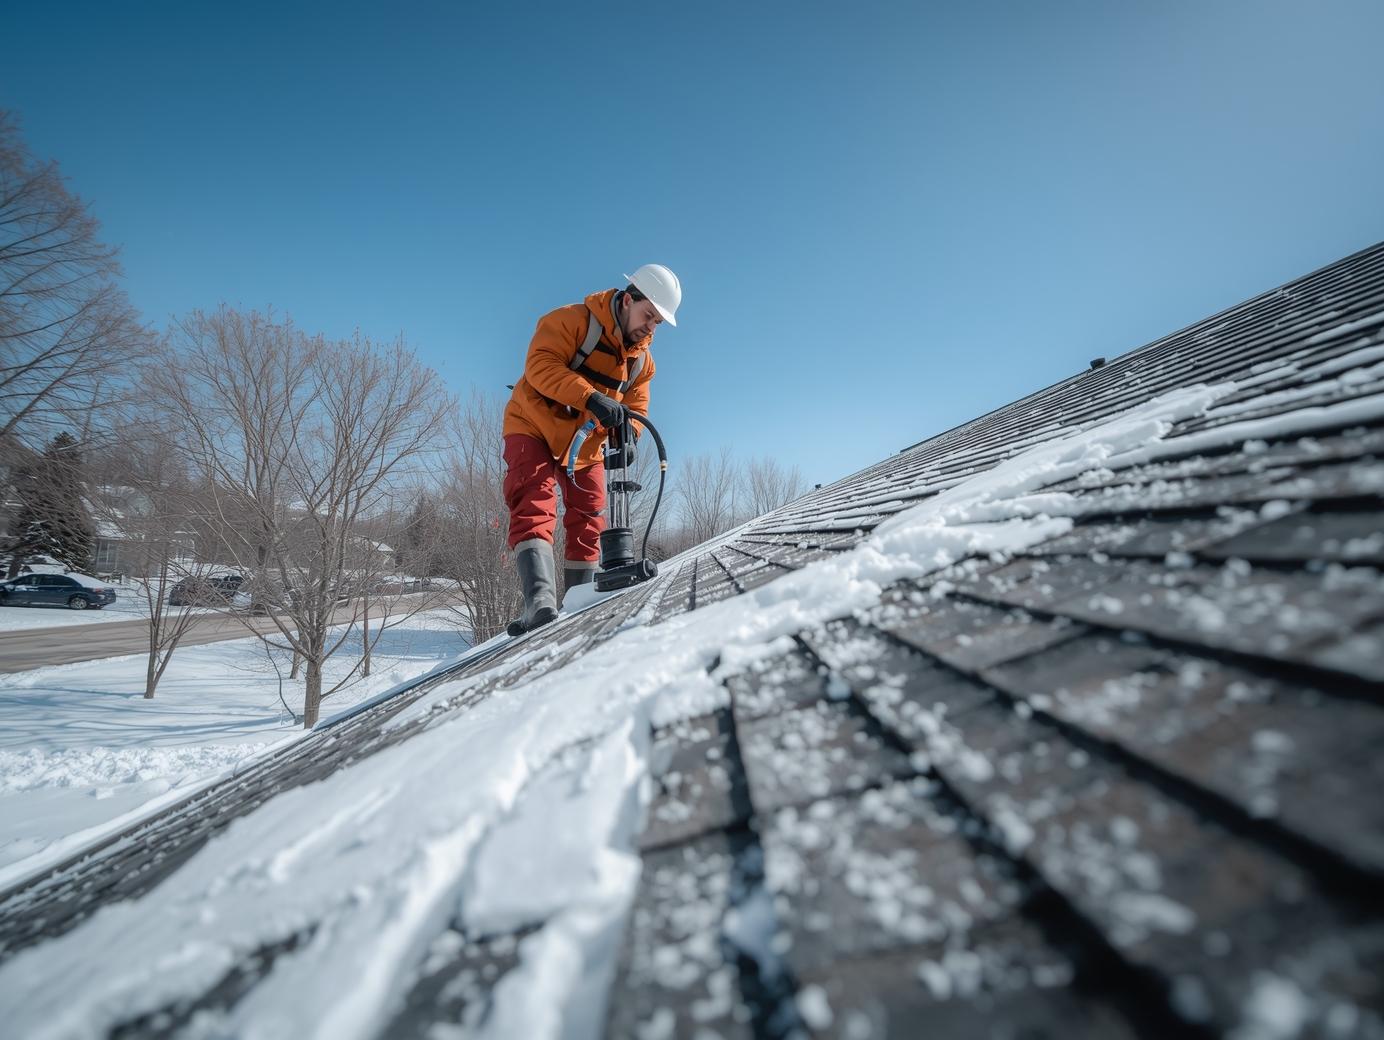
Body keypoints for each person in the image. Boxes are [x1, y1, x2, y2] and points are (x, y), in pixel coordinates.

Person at [501, 264, 681, 635]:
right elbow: (540, 366)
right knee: (534, 501)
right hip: (532, 423)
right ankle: (539, 602)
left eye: (658, 323)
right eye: (648, 315)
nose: (651, 327)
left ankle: (578, 599)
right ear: (628, 300)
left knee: (589, 514)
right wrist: (591, 397)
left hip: (584, 443)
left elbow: (637, 408)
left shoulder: (642, 363)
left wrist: (629, 435)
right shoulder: (570, 321)